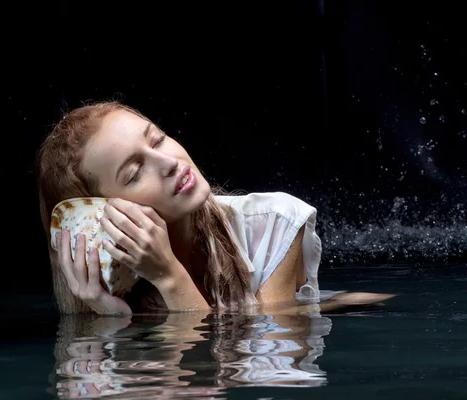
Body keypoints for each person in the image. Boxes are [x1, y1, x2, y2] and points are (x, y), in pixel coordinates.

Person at [36, 101, 393, 314]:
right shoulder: (113, 290)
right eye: (133, 172)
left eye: (158, 138)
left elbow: (265, 358)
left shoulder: (275, 223)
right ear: (98, 218)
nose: (169, 161)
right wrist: (109, 319)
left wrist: (168, 277)